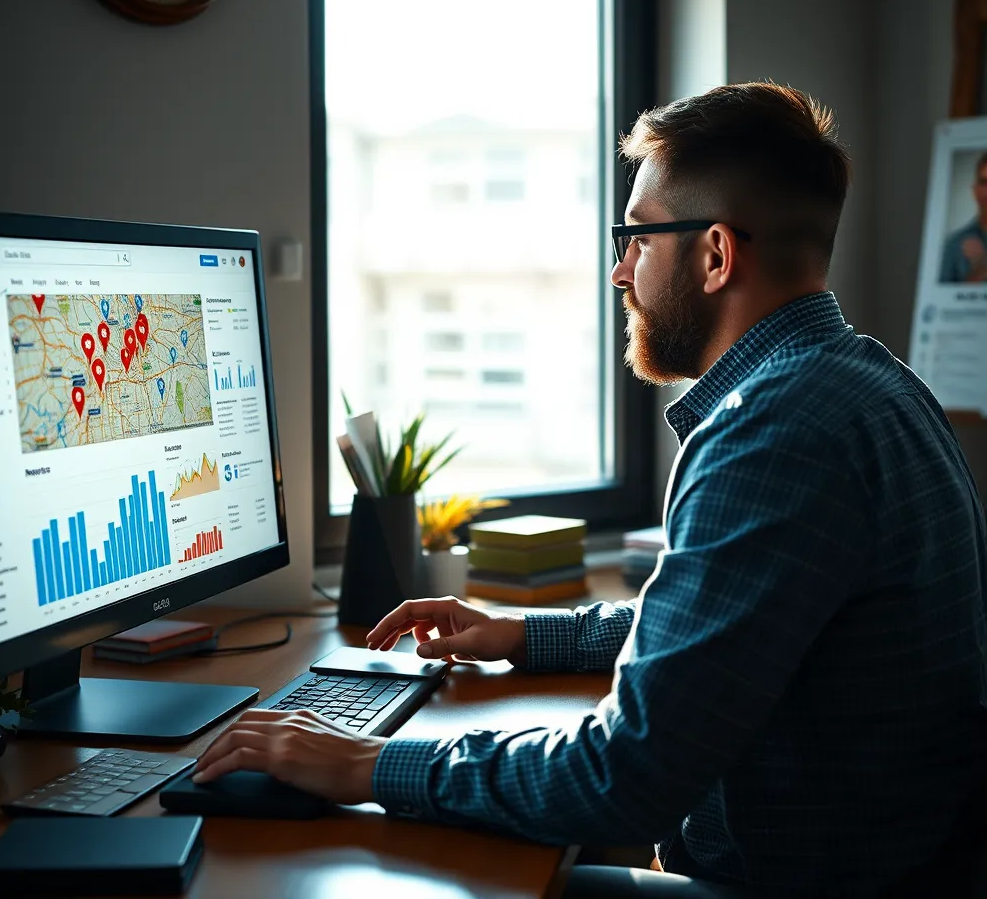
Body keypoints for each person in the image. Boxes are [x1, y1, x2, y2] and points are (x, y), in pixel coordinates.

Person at [193, 84, 987, 898]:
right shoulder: (872, 382)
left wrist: (366, 763)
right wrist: (525, 635)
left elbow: (622, 778)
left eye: (638, 237)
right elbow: (723, 627)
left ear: (716, 255)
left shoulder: (774, 435)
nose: (619, 270)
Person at [939, 152, 987, 283]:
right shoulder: (953, 245)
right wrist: (976, 276)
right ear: (974, 190)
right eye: (984, 182)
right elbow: (941, 299)